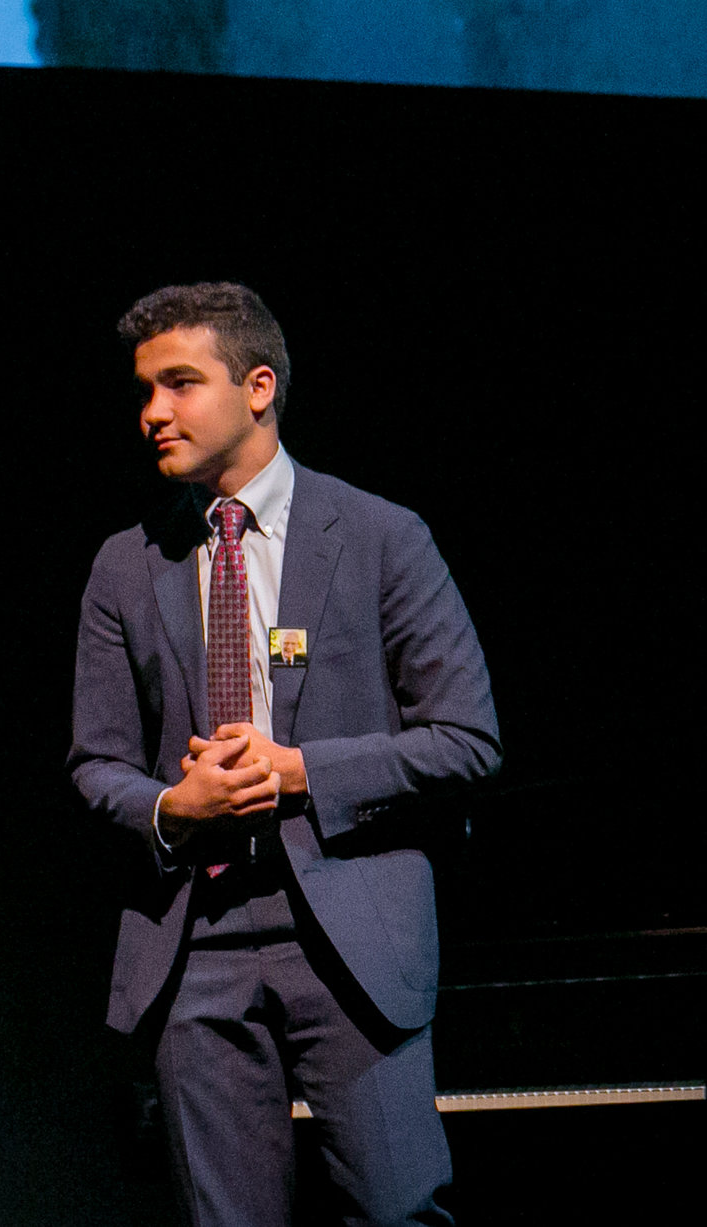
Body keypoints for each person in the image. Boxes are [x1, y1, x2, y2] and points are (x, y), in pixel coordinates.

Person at [69, 282, 502, 1227]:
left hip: (349, 930)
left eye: (180, 383)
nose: (153, 413)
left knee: (396, 1211)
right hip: (196, 941)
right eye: (144, 390)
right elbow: (96, 763)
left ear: (258, 386)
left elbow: (467, 739)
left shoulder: (383, 538)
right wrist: (168, 808)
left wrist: (298, 771)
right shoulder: (124, 565)